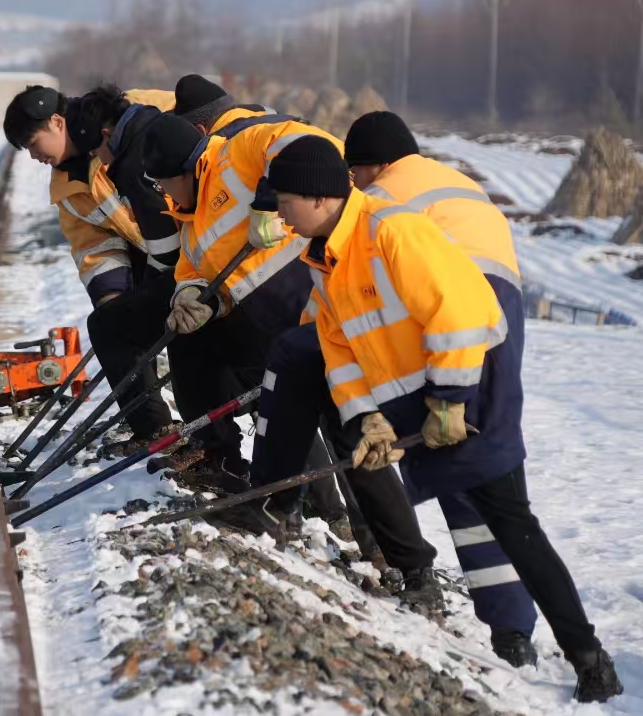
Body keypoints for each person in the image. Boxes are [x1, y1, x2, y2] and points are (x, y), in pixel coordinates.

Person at [267, 136, 623, 704]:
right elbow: (340, 351)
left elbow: (458, 312)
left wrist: (451, 400)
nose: (278, 213)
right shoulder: (328, 258)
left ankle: (591, 661)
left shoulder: (392, 232)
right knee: (493, 516)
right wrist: (369, 421)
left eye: (282, 200)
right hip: (425, 402)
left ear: (316, 196)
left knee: (512, 523)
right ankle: (531, 638)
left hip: (474, 390)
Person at [249, 114, 543, 662]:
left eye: (354, 172)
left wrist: (304, 352)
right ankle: (512, 629)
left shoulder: (377, 201)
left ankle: (285, 503)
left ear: (371, 167)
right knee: (488, 474)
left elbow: (342, 294)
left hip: (439, 316)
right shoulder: (459, 183)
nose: (352, 182)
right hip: (500, 312)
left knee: (436, 449)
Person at [138, 99, 342, 489]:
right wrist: (192, 298)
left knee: (339, 423)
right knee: (277, 403)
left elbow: (301, 145)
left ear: (183, 169)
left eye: (163, 184)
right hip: (262, 328)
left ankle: (367, 533)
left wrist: (267, 204)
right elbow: (191, 272)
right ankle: (316, 505)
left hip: (308, 304)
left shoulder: (238, 153)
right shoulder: (191, 222)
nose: (163, 194)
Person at [3, 85, 178, 444]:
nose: (35, 156)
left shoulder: (132, 110)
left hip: (207, 246)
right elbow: (94, 247)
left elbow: (206, 119)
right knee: (111, 324)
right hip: (165, 260)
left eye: (34, 143)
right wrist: (111, 295)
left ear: (56, 121)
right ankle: (156, 431)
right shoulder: (67, 187)